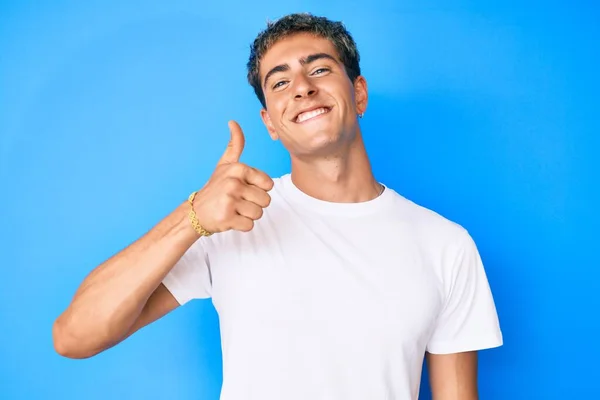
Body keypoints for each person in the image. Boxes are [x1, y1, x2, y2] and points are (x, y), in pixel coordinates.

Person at [53, 12, 503, 400]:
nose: (302, 89)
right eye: (281, 82)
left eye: (320, 70)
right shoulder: (231, 222)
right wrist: (191, 217)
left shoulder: (446, 244)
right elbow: (75, 336)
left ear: (359, 93)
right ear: (270, 122)